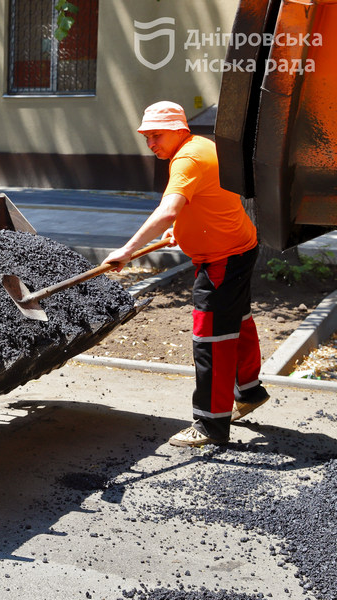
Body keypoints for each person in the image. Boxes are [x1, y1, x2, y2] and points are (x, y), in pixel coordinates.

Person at [103, 101, 269, 447]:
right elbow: (209, 198)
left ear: (180, 129)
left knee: (211, 336)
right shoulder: (202, 146)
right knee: (236, 321)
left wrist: (128, 250)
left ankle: (210, 425)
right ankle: (249, 391)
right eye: (147, 138)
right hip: (239, 247)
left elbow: (168, 210)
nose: (151, 144)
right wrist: (184, 228)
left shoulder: (187, 159)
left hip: (222, 258)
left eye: (156, 136)